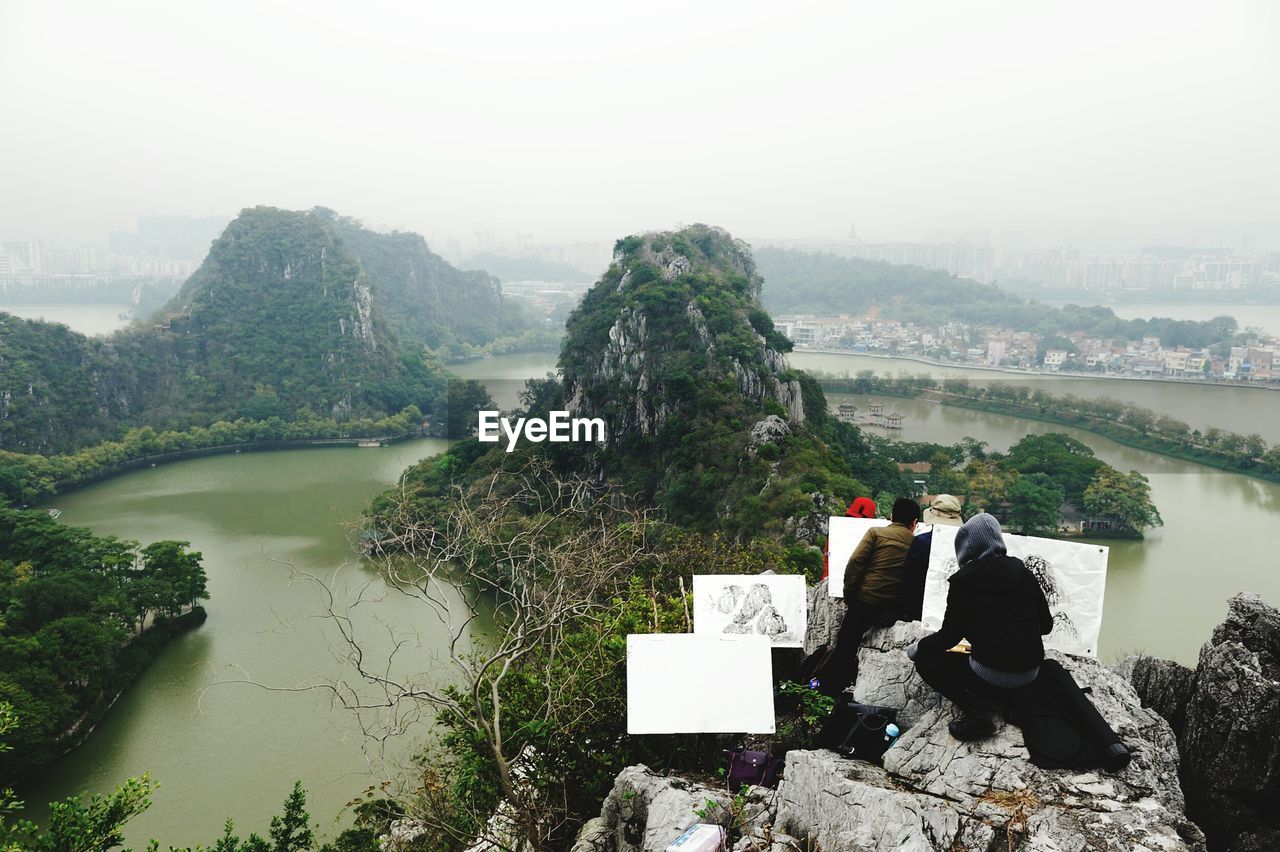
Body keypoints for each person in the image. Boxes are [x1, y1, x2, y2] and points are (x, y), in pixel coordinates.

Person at [906, 512, 1051, 741]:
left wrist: (919, 648)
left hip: (992, 673)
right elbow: (1046, 626)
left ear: (966, 547)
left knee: (926, 661)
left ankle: (977, 715)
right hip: (1031, 671)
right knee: (984, 657)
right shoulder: (1025, 573)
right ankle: (1010, 700)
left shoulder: (964, 581)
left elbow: (948, 637)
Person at [812, 497, 920, 697]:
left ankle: (830, 691)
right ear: (914, 523)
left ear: (891, 516)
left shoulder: (876, 533)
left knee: (845, 645)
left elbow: (855, 563)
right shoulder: (917, 543)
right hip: (893, 608)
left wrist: (850, 595)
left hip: (866, 600)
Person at [897, 494, 964, 622]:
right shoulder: (966, 545)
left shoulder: (921, 542)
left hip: (920, 609)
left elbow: (909, 579)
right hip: (953, 611)